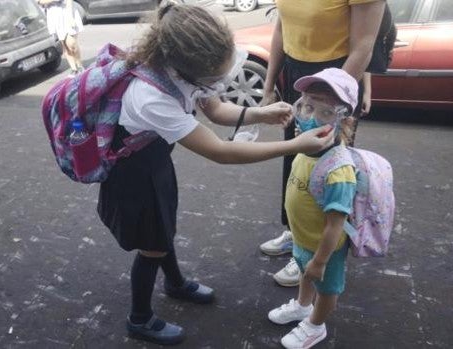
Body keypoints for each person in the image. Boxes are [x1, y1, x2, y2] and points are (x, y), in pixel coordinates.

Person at [95, 4, 336, 346]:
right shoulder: (150, 96)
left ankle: (175, 283)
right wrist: (295, 145)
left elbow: (216, 108)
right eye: (212, 79)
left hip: (155, 160)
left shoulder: (185, 66)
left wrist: (260, 114)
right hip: (131, 175)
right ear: (185, 68)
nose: (216, 84)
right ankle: (139, 318)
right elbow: (220, 151)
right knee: (150, 246)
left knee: (163, 227)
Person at [258, 0, 385, 286]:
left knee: (329, 170)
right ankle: (295, 232)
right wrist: (268, 87)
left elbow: (364, 42)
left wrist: (333, 98)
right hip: (300, 77)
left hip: (338, 78)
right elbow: (283, 27)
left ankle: (314, 252)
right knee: (295, 158)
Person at [267, 68, 359, 349]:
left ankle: (315, 325)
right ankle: (303, 306)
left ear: (343, 120)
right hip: (304, 238)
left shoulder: (339, 170)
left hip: (325, 249)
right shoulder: (305, 150)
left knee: (326, 287)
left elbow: (334, 226)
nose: (309, 117)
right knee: (305, 277)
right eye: (306, 106)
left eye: (325, 111)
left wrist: (320, 261)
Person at [37, 0, 84, 76]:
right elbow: (39, 1)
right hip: (53, 16)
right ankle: (73, 68)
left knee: (72, 44)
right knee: (64, 44)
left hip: (67, 13)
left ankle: (79, 66)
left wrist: (70, 17)